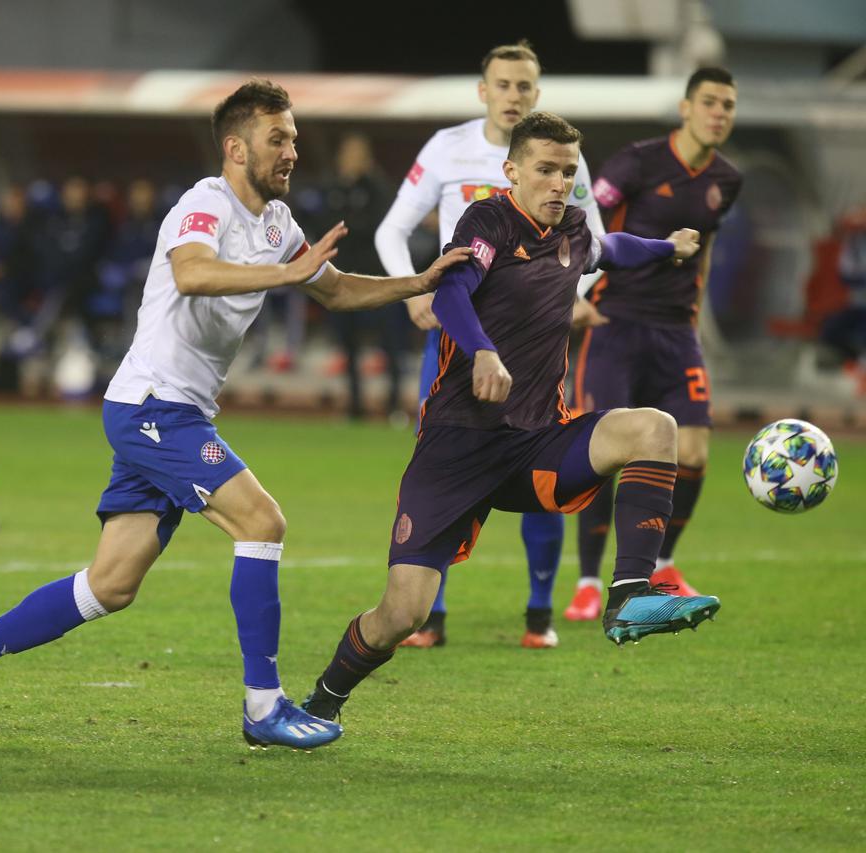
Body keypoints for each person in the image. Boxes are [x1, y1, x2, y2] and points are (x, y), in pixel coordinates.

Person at [0, 79, 473, 751]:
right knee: (262, 521)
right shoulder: (202, 205)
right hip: (156, 405)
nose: (293, 150)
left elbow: (338, 289)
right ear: (236, 148)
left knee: (110, 585)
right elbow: (192, 273)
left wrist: (415, 282)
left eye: (294, 137)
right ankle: (264, 705)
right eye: (279, 138)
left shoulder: (277, 224)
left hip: (168, 410)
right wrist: (285, 277)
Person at [302, 112, 722, 728]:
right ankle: (322, 702)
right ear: (513, 172)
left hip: (535, 445)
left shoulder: (574, 230)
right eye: (546, 171)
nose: (559, 184)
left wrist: (668, 246)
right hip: (456, 448)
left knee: (654, 427)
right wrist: (483, 351)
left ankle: (630, 595)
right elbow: (449, 291)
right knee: (403, 615)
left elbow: (612, 249)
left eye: (568, 173)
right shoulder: (487, 221)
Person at [374, 40, 608, 649]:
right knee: (443, 472)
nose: (513, 96)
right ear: (484, 90)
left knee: (547, 461)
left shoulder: (557, 160)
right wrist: (413, 291)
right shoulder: (446, 148)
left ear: (538, 92)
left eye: (524, 86)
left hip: (533, 348)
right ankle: (431, 617)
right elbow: (392, 229)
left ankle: (539, 612)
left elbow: (598, 243)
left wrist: (578, 292)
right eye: (503, 85)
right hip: (462, 342)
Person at [564, 67, 743, 620]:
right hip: (614, 322)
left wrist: (696, 316)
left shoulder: (727, 180)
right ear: (686, 107)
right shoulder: (635, 163)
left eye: (729, 106)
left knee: (691, 454)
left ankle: (661, 564)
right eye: (710, 102)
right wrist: (574, 295)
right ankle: (590, 582)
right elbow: (583, 224)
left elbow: (705, 248)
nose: (719, 113)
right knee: (603, 456)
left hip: (676, 331)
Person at [314, 133, 406, 420]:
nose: (353, 160)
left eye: (358, 154)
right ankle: (355, 407)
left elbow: (379, 226)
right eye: (349, 153)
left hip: (377, 280)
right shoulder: (330, 188)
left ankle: (393, 406)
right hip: (340, 281)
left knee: (391, 344)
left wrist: (348, 225)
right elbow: (322, 226)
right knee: (348, 345)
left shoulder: (379, 189)